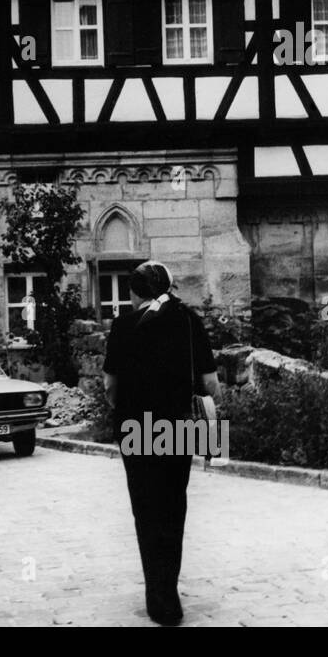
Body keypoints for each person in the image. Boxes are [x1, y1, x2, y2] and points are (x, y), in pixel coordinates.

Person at [102, 261, 218, 625]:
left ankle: (157, 593)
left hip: (136, 429)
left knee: (146, 509)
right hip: (180, 428)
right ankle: (170, 590)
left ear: (134, 292)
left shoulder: (123, 326)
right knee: (173, 507)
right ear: (168, 287)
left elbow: (110, 387)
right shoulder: (188, 320)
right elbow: (210, 385)